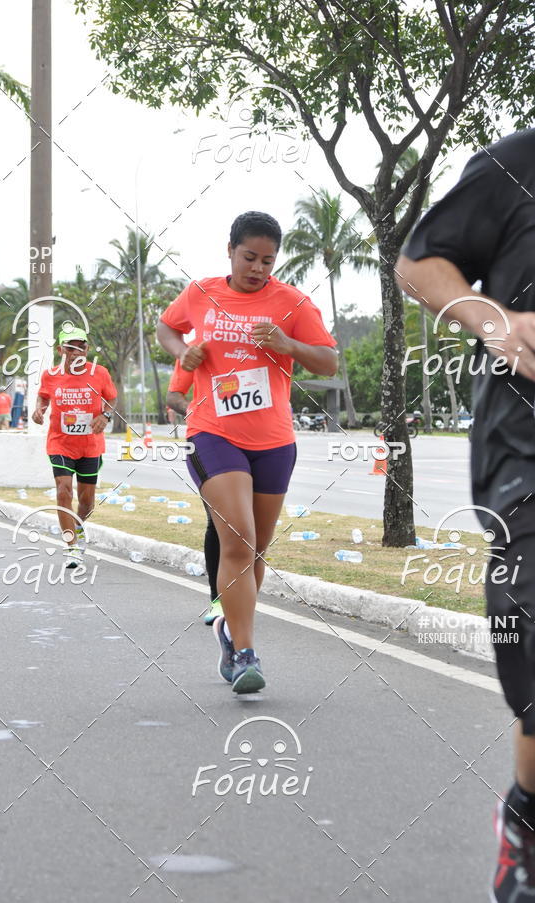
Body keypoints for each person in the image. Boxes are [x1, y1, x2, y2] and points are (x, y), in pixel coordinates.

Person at [396, 118, 535, 902]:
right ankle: (529, 817)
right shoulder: (521, 164)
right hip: (532, 455)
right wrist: (496, 321)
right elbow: (419, 261)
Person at [157, 210, 337, 694]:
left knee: (256, 548)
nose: (258, 268)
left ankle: (226, 631)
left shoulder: (292, 302)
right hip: (214, 432)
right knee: (237, 540)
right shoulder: (202, 292)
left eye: (268, 261)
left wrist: (287, 343)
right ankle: (245, 653)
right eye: (249, 257)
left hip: (275, 441)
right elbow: (167, 327)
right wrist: (182, 353)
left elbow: (328, 360)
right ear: (231, 251)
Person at [31, 327, 117, 568]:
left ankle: (78, 528)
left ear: (87, 349)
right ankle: (71, 546)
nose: (77, 352)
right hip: (60, 442)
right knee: (63, 490)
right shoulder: (51, 374)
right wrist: (40, 408)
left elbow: (111, 398)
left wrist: (106, 416)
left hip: (90, 444)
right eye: (71, 347)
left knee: (87, 500)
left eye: (82, 346)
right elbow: (44, 395)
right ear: (61, 350)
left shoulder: (99, 373)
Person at [166, 358, 222, 626]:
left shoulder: (261, 342)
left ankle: (241, 594)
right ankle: (218, 599)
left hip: (258, 440)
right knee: (219, 519)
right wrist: (198, 410)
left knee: (251, 526)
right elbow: (174, 395)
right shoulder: (197, 347)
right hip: (208, 439)